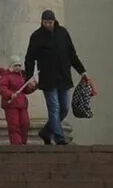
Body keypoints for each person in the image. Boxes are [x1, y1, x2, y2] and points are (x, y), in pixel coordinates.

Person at [24, 10, 88, 146]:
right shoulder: (36, 36)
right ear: (42, 21)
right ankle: (59, 138)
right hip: (48, 79)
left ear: (54, 21)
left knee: (64, 108)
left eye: (50, 22)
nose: (48, 25)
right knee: (54, 108)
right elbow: (29, 59)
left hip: (64, 77)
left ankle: (46, 132)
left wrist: (82, 71)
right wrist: (29, 78)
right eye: (45, 22)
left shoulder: (62, 33)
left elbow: (72, 54)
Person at [0, 59, 35, 145]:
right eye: (15, 65)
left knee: (25, 123)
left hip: (22, 104)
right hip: (11, 104)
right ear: (11, 67)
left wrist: (32, 87)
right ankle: (17, 143)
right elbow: (2, 88)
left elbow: (25, 90)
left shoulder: (22, 77)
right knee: (14, 125)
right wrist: (10, 94)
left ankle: (23, 142)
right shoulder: (6, 77)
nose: (17, 67)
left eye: (19, 65)